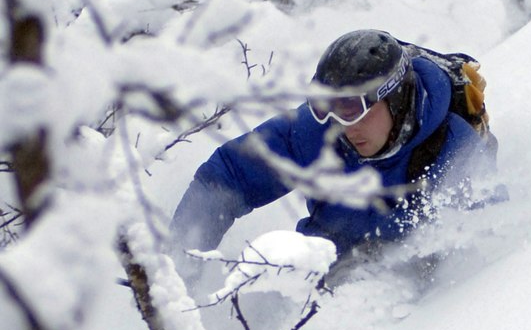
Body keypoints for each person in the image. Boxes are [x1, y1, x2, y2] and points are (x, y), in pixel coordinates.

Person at [168, 29, 506, 286]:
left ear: (395, 98)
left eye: (353, 108)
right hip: (322, 267)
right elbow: (229, 177)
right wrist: (179, 262)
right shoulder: (319, 133)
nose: (345, 125)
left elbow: (483, 239)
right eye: (328, 106)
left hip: (412, 289)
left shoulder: (453, 149)